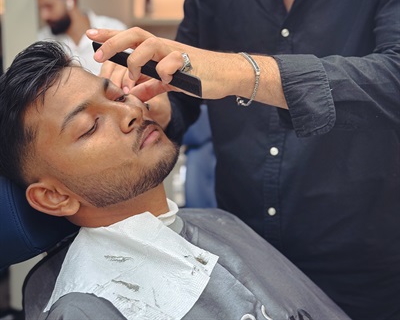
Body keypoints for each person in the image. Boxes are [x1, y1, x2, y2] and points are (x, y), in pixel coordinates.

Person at [89, 0, 400, 320]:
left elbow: (393, 80)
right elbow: (185, 100)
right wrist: (159, 104)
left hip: (365, 263)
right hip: (249, 256)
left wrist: (243, 72)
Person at [0, 41, 351, 320]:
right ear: (54, 196)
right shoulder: (87, 310)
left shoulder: (220, 221)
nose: (131, 110)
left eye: (117, 95)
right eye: (90, 126)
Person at [33, 0, 126, 74]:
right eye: (41, 8)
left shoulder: (115, 29)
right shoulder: (43, 41)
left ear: (70, 1)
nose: (44, 16)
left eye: (49, 7)